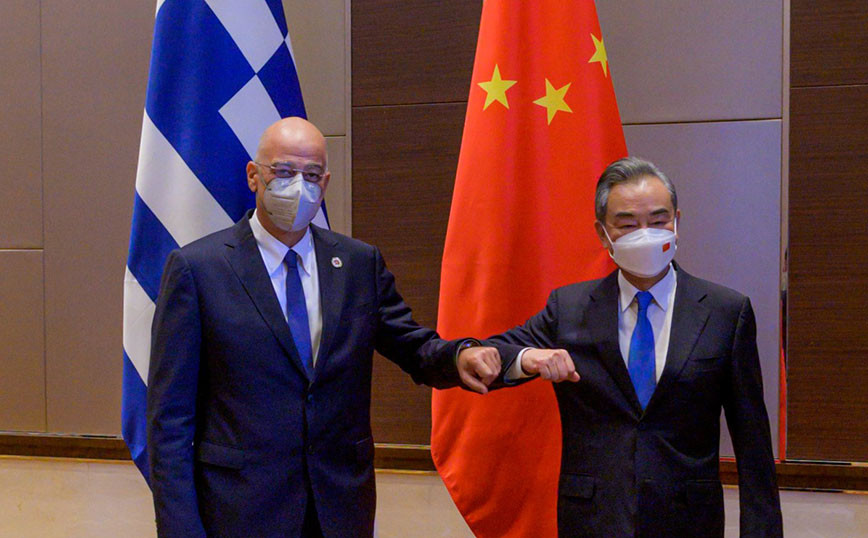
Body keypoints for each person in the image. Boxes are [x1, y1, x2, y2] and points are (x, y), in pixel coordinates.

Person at [146, 117, 501, 537]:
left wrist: (461, 356)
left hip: (339, 508)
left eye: (312, 175)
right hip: (239, 511)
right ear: (254, 176)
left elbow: (413, 346)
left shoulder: (357, 264)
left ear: (326, 183)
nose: (299, 186)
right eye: (284, 171)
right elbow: (169, 422)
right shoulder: (198, 270)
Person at [460, 157, 783, 537]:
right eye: (628, 225)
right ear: (603, 233)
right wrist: (527, 357)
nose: (645, 235)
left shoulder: (725, 311)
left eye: (658, 221)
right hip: (594, 518)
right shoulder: (570, 309)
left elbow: (753, 443)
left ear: (677, 222)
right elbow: (489, 358)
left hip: (689, 519)